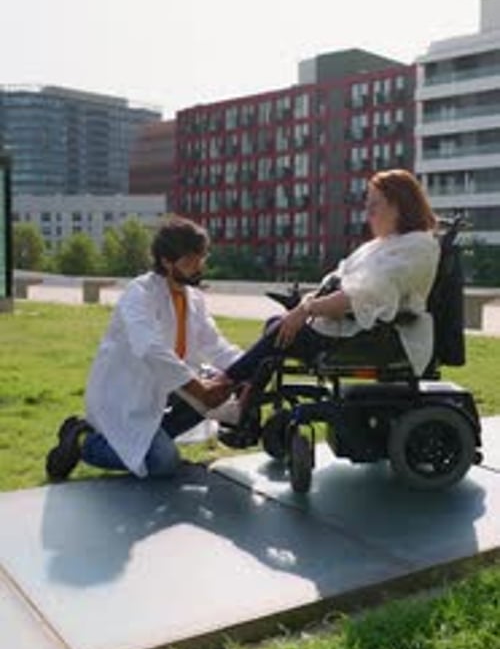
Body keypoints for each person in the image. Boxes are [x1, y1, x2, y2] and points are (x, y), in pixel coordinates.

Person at [218, 170, 441, 437]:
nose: (367, 213)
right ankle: (241, 408)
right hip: (356, 328)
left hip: (382, 337)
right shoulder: (380, 246)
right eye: (367, 204)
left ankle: (224, 388)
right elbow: (336, 282)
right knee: (277, 329)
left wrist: (304, 310)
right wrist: (306, 304)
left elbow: (360, 295)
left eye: (374, 204)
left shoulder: (417, 247)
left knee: (279, 333)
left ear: (399, 205)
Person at [46, 216, 239, 481]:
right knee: (164, 462)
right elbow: (149, 348)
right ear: (166, 261)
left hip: (166, 391)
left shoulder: (193, 299)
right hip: (125, 398)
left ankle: (153, 438)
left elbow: (216, 344)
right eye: (189, 262)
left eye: (200, 259)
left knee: (221, 401)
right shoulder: (140, 293)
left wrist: (245, 370)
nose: (198, 268)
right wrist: (199, 389)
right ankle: (83, 441)